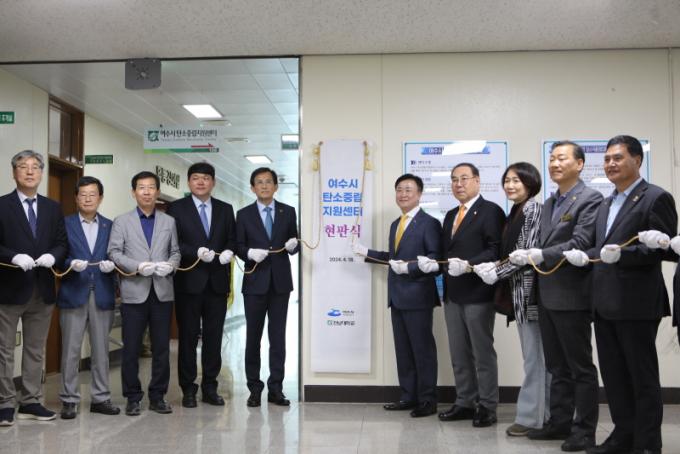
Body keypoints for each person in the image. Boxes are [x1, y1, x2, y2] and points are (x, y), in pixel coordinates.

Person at [565, 135, 677, 454]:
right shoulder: (606, 202)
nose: (611, 164)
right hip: (603, 303)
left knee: (641, 378)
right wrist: (585, 256)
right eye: (607, 159)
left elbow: (665, 248)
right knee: (614, 378)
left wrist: (624, 255)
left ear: (637, 160)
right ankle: (622, 436)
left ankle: (647, 443)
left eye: (618, 158)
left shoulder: (655, 197)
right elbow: (603, 248)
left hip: (637, 304)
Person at [511, 141, 602, 452]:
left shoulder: (590, 198)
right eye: (551, 159)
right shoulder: (550, 202)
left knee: (580, 367)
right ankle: (559, 422)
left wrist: (540, 254)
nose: (554, 164)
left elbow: (581, 241)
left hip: (572, 294)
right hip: (547, 294)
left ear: (580, 164)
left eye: (562, 158)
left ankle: (584, 430)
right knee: (556, 366)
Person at [354, 173, 441, 418]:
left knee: (422, 350)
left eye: (408, 189)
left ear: (419, 194)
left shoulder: (430, 223)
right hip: (397, 296)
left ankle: (427, 400)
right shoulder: (396, 224)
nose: (403, 194)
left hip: (419, 297)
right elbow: (393, 258)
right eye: (399, 189)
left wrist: (410, 268)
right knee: (403, 350)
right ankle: (408, 396)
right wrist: (366, 253)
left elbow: (435, 260)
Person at [473, 162, 550, 436]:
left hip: (531, 296)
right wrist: (494, 267)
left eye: (517, 180)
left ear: (530, 183)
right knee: (537, 358)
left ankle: (530, 418)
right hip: (519, 295)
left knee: (535, 359)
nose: (510, 185)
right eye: (507, 180)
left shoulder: (533, 210)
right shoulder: (516, 210)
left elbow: (525, 253)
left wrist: (496, 271)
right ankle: (545, 415)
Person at [0, 150, 68, 426]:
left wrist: (54, 255)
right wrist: (12, 256)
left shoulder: (53, 207)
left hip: (42, 289)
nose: (29, 171)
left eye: (35, 167)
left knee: (35, 349)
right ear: (14, 172)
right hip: (8, 289)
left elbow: (62, 242)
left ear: (41, 172)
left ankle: (30, 401)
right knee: (4, 349)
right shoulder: (2, 205)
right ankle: (5, 403)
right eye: (23, 166)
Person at [108, 171, 180, 416]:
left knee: (161, 349)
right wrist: (137, 266)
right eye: (141, 187)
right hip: (134, 292)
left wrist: (171, 265)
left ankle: (158, 396)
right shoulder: (122, 221)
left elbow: (175, 252)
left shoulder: (168, 221)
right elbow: (114, 253)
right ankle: (132, 397)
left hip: (162, 292)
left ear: (157, 192)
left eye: (151, 187)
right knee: (131, 348)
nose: (147, 192)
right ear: (133, 192)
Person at [438, 163, 505, 428]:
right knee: (459, 352)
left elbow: (495, 250)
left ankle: (487, 405)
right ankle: (465, 401)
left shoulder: (491, 211)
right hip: (452, 293)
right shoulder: (450, 215)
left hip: (478, 292)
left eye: (464, 178)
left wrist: (468, 264)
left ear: (477, 181)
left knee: (482, 351)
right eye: (454, 179)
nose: (459, 184)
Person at [166, 162, 236, 408]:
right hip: (188, 283)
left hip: (217, 283)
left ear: (213, 182)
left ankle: (210, 387)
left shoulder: (225, 209)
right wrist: (194, 251)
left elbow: (232, 239)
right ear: (189, 182)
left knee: (214, 338)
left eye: (206, 178)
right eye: (195, 178)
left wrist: (228, 251)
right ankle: (188, 389)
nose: (200, 182)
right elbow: (173, 243)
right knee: (187, 338)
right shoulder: (176, 208)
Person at [235, 167, 299, 408]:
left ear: (275, 186)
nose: (264, 186)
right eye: (259, 182)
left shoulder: (288, 211)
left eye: (268, 181)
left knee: (278, 338)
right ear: (252, 188)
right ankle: (254, 388)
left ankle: (276, 388)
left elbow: (294, 243)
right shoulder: (243, 214)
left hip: (280, 284)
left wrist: (294, 245)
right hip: (255, 283)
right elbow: (238, 245)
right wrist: (249, 253)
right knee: (253, 338)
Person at [57, 176, 119, 419]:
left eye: (92, 194)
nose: (87, 199)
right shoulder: (65, 224)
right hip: (74, 292)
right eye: (83, 194)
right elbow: (58, 255)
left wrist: (112, 265)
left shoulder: (110, 226)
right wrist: (70, 264)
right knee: (70, 350)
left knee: (101, 350)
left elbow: (116, 255)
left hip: (102, 292)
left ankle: (100, 398)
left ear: (100, 198)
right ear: (76, 198)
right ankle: (69, 399)